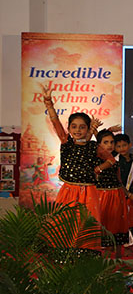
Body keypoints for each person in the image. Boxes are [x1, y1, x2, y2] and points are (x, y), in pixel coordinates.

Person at [41, 85, 116, 254]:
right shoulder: (66, 142)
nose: (77, 130)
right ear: (69, 128)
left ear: (88, 128)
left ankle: (86, 255)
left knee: (87, 223)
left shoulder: (94, 147)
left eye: (82, 127)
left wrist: (97, 169)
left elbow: (111, 160)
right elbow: (55, 122)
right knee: (64, 221)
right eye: (74, 127)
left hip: (89, 191)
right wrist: (48, 102)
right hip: (69, 190)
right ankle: (64, 254)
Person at [95, 129, 129, 258]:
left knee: (117, 226)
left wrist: (129, 195)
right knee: (105, 226)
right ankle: (105, 261)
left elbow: (119, 180)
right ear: (99, 144)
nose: (109, 145)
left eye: (111, 142)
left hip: (117, 195)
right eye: (106, 142)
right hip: (102, 196)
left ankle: (118, 260)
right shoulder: (95, 160)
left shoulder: (115, 160)